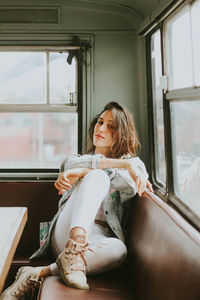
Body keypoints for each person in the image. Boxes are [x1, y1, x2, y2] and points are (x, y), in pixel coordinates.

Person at [0, 102, 153, 299]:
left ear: (122, 133)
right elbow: (69, 166)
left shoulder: (134, 166)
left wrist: (84, 172)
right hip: (65, 234)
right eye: (100, 122)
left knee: (119, 250)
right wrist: (116, 165)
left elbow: (131, 184)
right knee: (98, 177)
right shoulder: (77, 160)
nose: (101, 128)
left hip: (98, 238)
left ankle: (38, 273)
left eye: (111, 126)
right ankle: (74, 246)